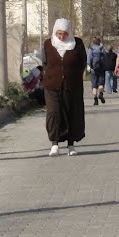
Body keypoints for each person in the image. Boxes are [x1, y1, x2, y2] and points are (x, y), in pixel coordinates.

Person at [42, 18, 86, 156]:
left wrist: (72, 75)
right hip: (52, 85)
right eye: (59, 33)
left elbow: (82, 62)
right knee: (53, 113)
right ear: (55, 31)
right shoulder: (48, 44)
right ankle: (54, 143)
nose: (62, 36)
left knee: (71, 113)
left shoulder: (77, 43)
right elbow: (44, 63)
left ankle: (71, 144)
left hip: (72, 86)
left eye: (65, 34)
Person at [87, 36, 107, 106]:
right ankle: (100, 94)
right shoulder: (102, 49)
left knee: (94, 84)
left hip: (93, 69)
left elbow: (88, 60)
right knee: (101, 83)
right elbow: (105, 58)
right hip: (101, 68)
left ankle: (95, 98)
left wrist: (89, 68)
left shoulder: (91, 49)